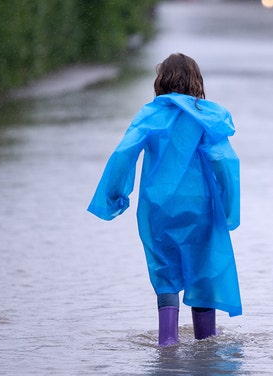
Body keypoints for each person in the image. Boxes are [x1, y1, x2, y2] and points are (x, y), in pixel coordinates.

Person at [87, 53, 241, 347]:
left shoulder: (151, 115)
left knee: (165, 272)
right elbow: (225, 162)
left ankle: (167, 342)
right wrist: (229, 207)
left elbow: (124, 153)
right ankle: (205, 343)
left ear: (161, 82)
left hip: (158, 207)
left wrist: (114, 194)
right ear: (197, 81)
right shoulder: (208, 116)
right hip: (201, 207)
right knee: (203, 272)